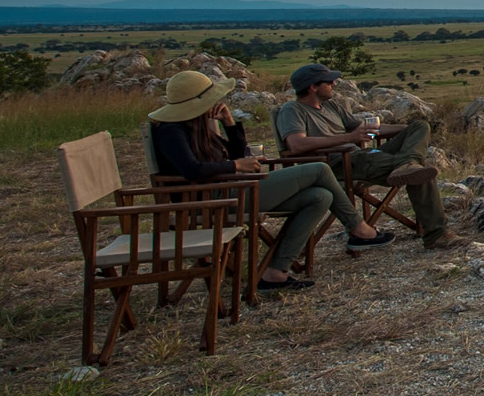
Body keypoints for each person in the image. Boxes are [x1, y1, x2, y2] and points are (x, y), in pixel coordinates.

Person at [147, 70, 394, 292]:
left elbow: (237, 155)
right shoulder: (171, 131)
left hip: (230, 191)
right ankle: (359, 230)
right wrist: (234, 166)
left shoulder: (197, 126)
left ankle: (276, 272)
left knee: (320, 196)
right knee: (318, 169)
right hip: (213, 199)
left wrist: (230, 125)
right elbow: (192, 170)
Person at [274, 62, 455, 249]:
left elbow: (365, 130)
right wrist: (347, 138)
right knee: (420, 173)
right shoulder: (292, 110)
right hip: (337, 165)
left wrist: (405, 131)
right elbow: (296, 144)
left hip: (362, 157)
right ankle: (436, 235)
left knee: (419, 127)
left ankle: (408, 163)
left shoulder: (332, 106)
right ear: (313, 87)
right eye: (328, 82)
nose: (334, 84)